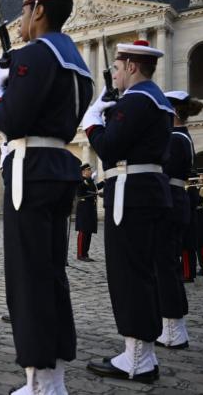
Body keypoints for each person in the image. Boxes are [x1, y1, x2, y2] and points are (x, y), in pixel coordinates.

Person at [0, 0, 92, 393]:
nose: (22, 20)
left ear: (39, 11)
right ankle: (54, 374)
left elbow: (11, 119)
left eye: (25, 10)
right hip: (58, 167)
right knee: (52, 273)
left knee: (28, 277)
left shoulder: (36, 55)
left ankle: (38, 380)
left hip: (30, 169)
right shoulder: (75, 59)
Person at [83, 40, 172, 383]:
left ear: (132, 67)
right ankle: (142, 353)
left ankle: (136, 359)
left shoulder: (136, 101)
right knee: (143, 274)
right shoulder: (157, 100)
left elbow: (108, 147)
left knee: (128, 275)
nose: (115, 76)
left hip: (132, 195)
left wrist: (94, 118)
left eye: (118, 69)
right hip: (148, 191)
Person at [153, 90, 202, 350]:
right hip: (175, 201)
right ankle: (173, 325)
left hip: (168, 203)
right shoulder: (181, 137)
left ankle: (172, 328)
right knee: (167, 265)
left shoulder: (174, 138)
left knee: (165, 267)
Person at [75, 164, 102, 261]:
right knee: (83, 232)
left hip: (90, 209)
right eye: (88, 169)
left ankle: (85, 253)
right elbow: (81, 191)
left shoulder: (90, 181)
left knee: (88, 232)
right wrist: (95, 192)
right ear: (83, 172)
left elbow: (94, 188)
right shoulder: (80, 180)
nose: (90, 171)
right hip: (83, 209)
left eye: (90, 169)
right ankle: (80, 254)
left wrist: (104, 183)